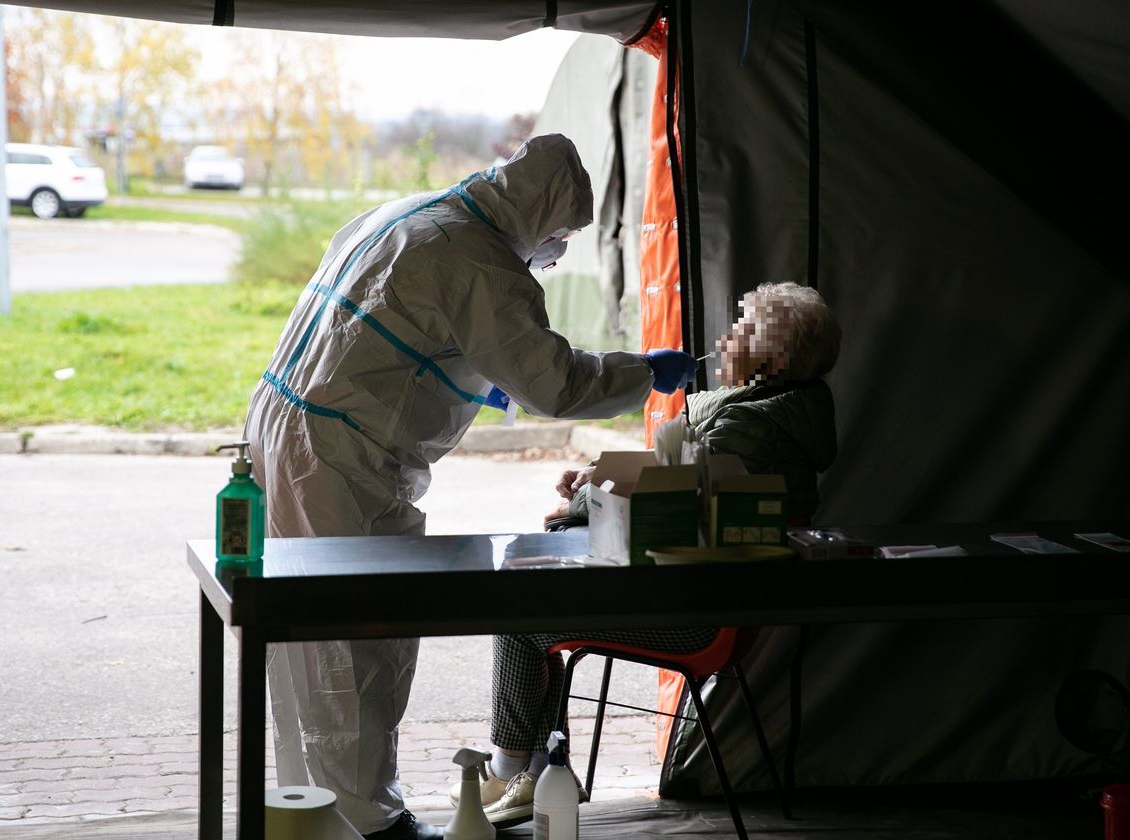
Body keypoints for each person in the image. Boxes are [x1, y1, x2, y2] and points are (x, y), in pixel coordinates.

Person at [243, 133, 697, 840]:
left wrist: (461, 373)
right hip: (338, 459)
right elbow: (558, 381)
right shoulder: (482, 261)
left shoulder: (410, 214)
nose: (561, 250)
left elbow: (389, 325)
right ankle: (366, 821)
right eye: (563, 234)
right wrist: (649, 372)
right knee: (354, 639)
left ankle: (313, 811)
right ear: (539, 214)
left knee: (304, 637)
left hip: (285, 427)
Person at [456, 281, 840, 828]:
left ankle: (516, 767)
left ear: (773, 358)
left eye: (742, 330)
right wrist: (595, 482)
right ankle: (532, 773)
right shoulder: (775, 416)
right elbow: (671, 478)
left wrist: (580, 502)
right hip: (706, 595)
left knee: (522, 612)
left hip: (694, 614)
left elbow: (666, 504)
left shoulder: (745, 426)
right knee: (535, 600)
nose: (724, 338)